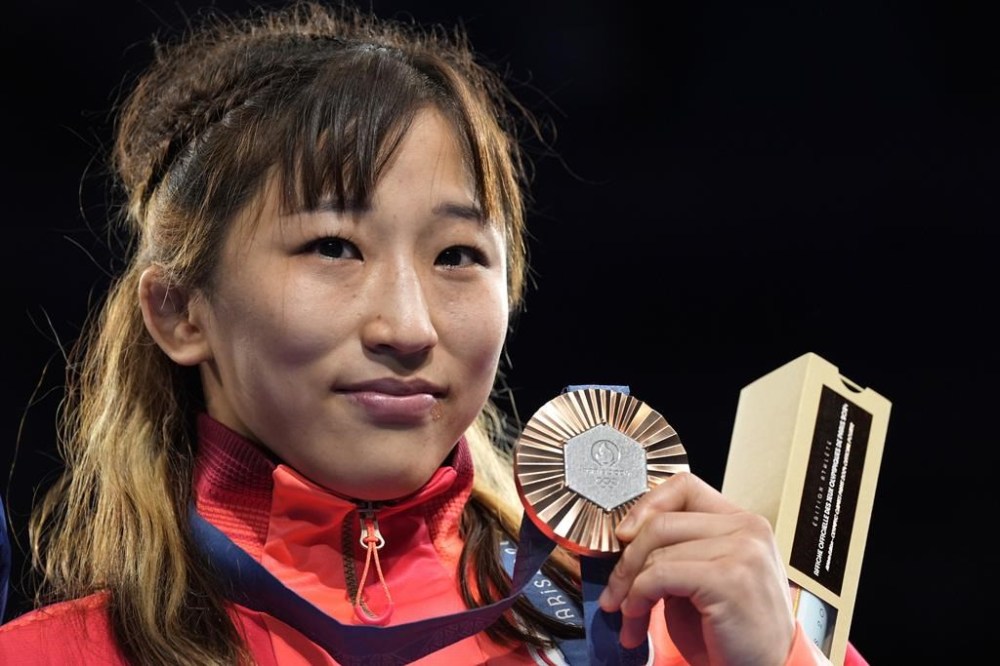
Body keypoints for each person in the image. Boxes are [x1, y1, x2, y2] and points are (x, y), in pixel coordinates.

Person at [0, 2, 869, 664]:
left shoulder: (666, 633)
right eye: (333, 247)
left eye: (457, 255)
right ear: (180, 311)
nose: (409, 327)